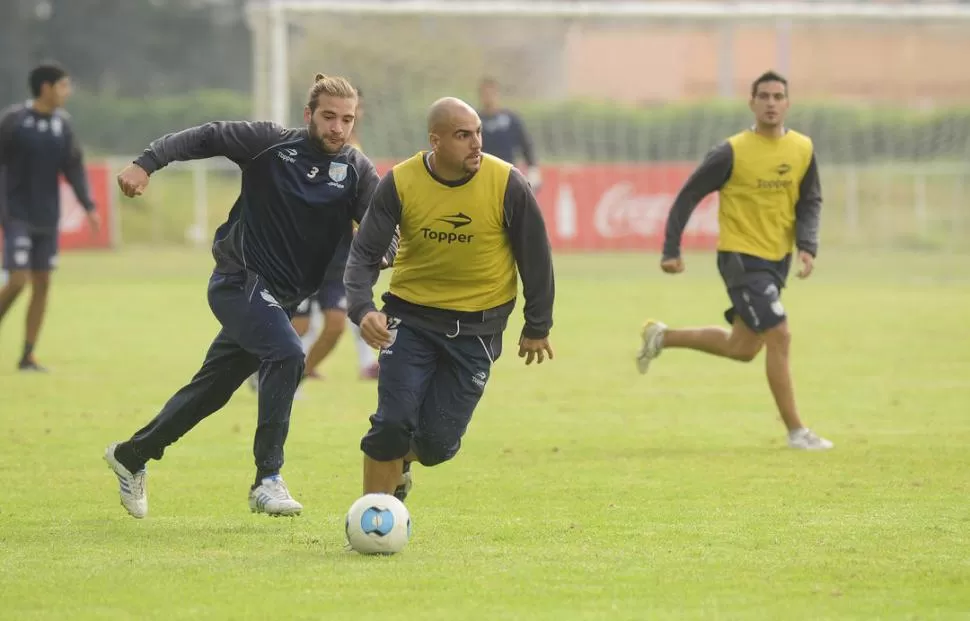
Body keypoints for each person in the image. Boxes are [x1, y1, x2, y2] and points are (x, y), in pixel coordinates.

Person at [104, 74, 386, 520]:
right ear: (309, 114)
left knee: (209, 393)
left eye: (346, 119)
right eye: (329, 116)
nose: (337, 127)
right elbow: (208, 135)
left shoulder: (355, 169)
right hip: (239, 281)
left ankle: (131, 454)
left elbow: (376, 225)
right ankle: (267, 480)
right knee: (289, 353)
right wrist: (147, 163)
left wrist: (385, 252)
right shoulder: (268, 144)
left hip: (283, 299)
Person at [345, 97, 556, 502]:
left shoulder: (507, 182)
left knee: (438, 445)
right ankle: (373, 518)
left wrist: (537, 326)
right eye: (463, 135)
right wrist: (363, 307)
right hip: (410, 319)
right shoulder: (401, 181)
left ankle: (400, 465)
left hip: (476, 329)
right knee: (390, 424)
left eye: (477, 133)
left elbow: (536, 257)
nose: (476, 143)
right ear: (435, 141)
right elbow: (365, 254)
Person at [636, 70, 833, 451]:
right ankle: (797, 431)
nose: (771, 103)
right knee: (780, 333)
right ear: (752, 103)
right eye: (764, 96)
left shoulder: (803, 150)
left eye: (778, 96)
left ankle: (662, 335)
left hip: (777, 260)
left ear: (788, 104)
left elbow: (810, 200)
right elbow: (688, 196)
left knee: (743, 347)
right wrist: (670, 250)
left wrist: (808, 244)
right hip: (741, 259)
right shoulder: (732, 151)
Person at [0, 62, 99, 372]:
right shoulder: (14, 121)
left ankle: (28, 355)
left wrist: (89, 206)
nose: (67, 92)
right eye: (64, 86)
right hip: (16, 214)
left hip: (47, 218)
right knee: (18, 280)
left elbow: (73, 167)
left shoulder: (62, 125)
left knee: (42, 283)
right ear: (47, 87)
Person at [289, 87, 380, 381]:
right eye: (330, 115)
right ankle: (267, 367)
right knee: (300, 326)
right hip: (303, 258)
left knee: (338, 321)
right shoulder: (305, 150)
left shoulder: (356, 154)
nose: (338, 125)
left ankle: (296, 373)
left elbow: (368, 204)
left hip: (342, 255)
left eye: (351, 114)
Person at [477, 77, 542, 191]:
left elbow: (525, 145)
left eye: (491, 93)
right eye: (485, 94)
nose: (488, 97)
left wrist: (533, 169)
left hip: (506, 175)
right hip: (480, 176)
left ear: (497, 94)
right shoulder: (475, 121)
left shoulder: (510, 119)